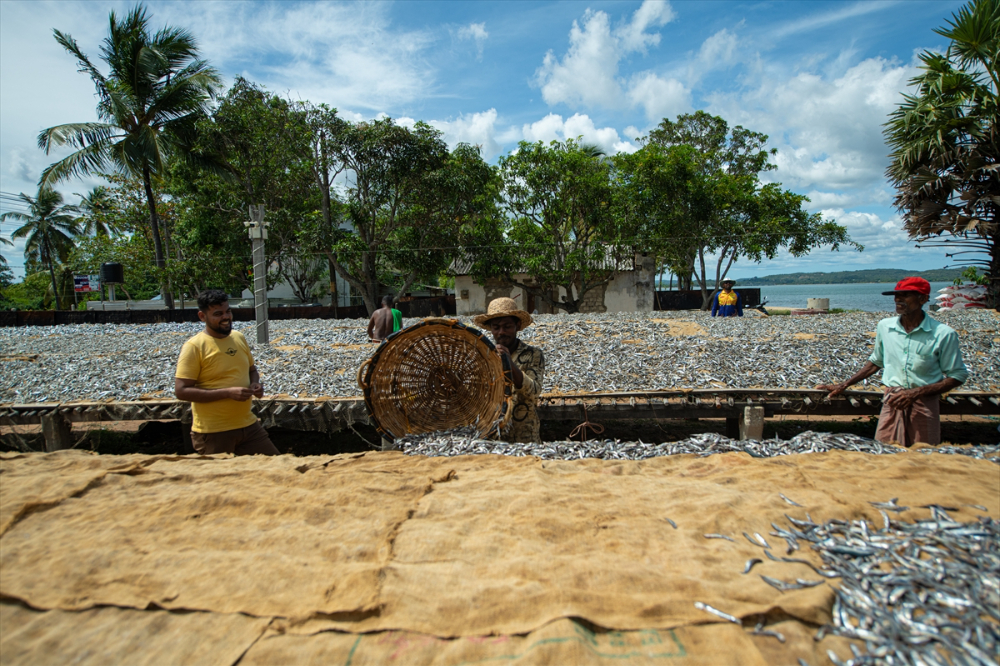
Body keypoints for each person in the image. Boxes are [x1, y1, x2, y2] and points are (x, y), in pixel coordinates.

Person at [818, 277, 968, 447]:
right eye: (896, 295)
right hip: (893, 400)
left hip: (924, 402)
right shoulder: (885, 327)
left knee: (923, 456)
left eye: (905, 295)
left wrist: (916, 392)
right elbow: (876, 362)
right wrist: (843, 385)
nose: (898, 299)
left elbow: (958, 375)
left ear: (923, 299)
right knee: (884, 451)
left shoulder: (943, 334)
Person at [174, 289, 279, 456]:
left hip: (248, 426)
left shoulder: (238, 338)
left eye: (228, 311)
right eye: (218, 314)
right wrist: (228, 393)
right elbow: (181, 390)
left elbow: (252, 370)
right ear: (202, 316)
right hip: (214, 432)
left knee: (276, 469)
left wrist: (255, 384)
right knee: (220, 480)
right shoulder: (194, 347)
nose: (226, 317)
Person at [473, 297, 545, 443]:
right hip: (492, 436)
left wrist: (508, 362)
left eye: (507, 326)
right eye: (496, 327)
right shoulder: (483, 357)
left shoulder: (534, 355)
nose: (501, 332)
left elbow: (534, 392)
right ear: (491, 328)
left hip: (524, 436)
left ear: (517, 326)